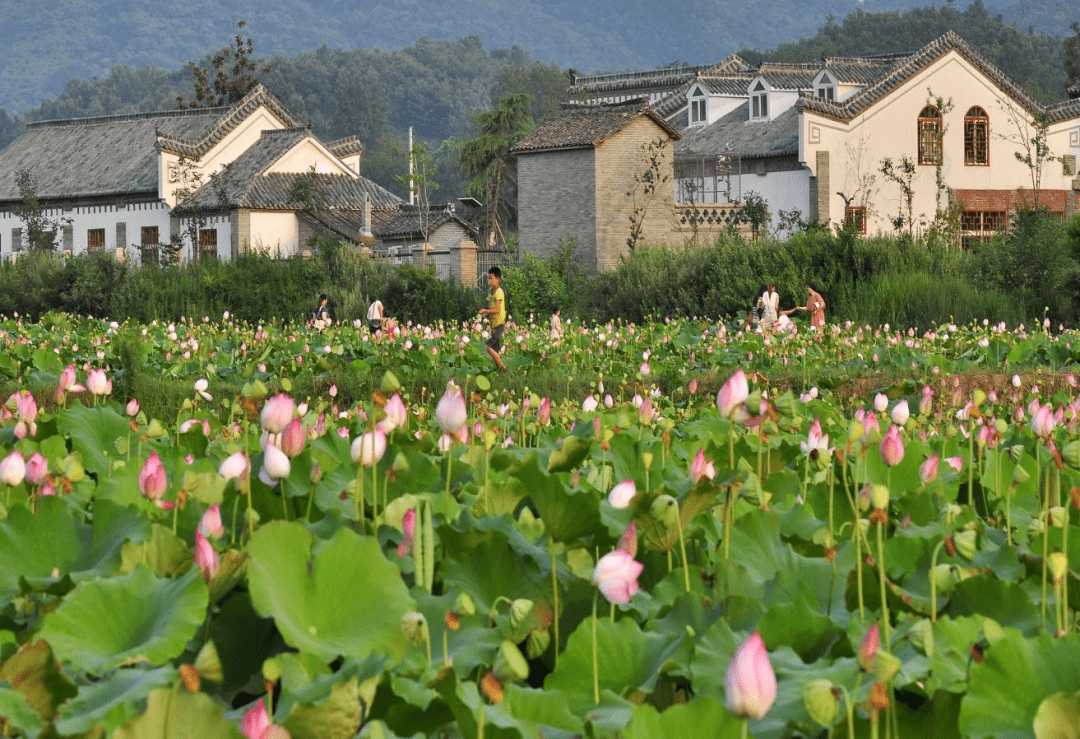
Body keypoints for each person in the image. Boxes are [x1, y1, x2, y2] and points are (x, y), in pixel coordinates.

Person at [478, 266, 509, 373]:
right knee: (495, 350)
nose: (490, 281)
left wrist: (485, 311)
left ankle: (504, 368)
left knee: (489, 348)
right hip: (494, 325)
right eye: (489, 279)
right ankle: (499, 370)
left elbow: (497, 310)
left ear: (498, 279)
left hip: (499, 323)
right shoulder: (491, 292)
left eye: (492, 278)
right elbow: (491, 308)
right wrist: (485, 315)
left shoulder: (499, 292)